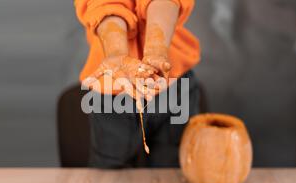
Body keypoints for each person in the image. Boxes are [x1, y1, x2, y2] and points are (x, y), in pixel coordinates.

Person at [74, 0, 201, 168]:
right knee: (112, 176)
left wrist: (156, 50)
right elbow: (104, 4)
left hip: (171, 80)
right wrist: (116, 53)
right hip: (113, 87)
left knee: (172, 170)